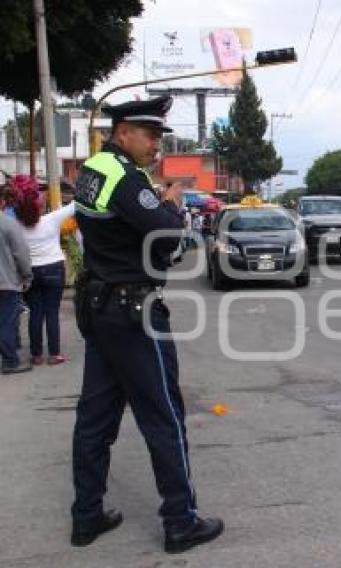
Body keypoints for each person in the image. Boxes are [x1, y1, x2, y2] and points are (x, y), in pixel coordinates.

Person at [71, 95, 223, 553]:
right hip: (133, 314)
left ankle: (87, 516)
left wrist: (154, 206)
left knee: (94, 419)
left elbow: (119, 229)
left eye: (160, 135)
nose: (158, 143)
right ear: (122, 133)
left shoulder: (94, 169)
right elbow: (170, 237)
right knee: (164, 416)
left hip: (100, 309)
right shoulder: (124, 177)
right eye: (151, 134)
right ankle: (180, 521)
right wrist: (172, 205)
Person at [16, 188, 75, 365]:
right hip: (53, 269)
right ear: (39, 208)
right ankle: (55, 353)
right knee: (52, 312)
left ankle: (36, 354)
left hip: (30, 271)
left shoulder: (16, 225)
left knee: (35, 312)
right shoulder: (52, 219)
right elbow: (74, 206)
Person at [0, 194, 33, 374]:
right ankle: (10, 361)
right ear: (2, 202)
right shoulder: (8, 223)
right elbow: (21, 253)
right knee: (6, 322)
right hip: (5, 283)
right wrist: (27, 276)